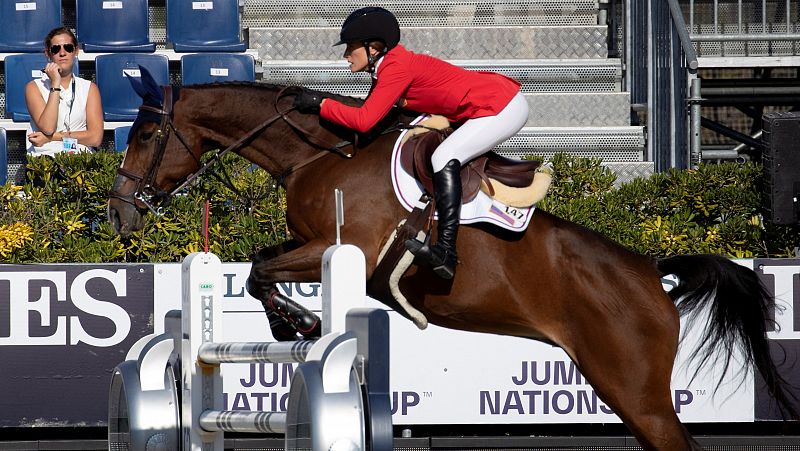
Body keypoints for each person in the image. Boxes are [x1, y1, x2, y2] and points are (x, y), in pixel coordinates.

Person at [293, 7, 529, 280]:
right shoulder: (386, 66)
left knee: (444, 157)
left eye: (351, 47)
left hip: (500, 106)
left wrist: (321, 104)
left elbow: (364, 120)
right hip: (483, 106)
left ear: (374, 48)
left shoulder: (395, 68)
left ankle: (446, 253)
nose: (346, 54)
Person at [25, 27, 103, 156]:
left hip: (80, 160)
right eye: (56, 49)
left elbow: (95, 138)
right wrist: (55, 84)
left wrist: (52, 138)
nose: (62, 53)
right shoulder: (33, 87)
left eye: (68, 47)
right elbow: (48, 128)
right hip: (46, 160)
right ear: (48, 54)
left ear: (76, 51)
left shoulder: (89, 88)